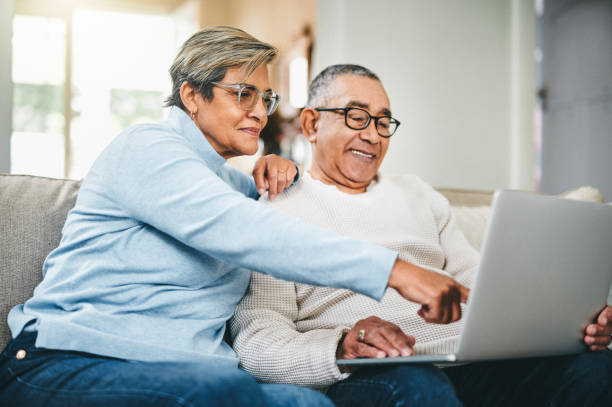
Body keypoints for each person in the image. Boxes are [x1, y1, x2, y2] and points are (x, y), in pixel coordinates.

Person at [0, 27, 470, 407]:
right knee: (221, 395)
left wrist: (274, 173)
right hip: (71, 360)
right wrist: (396, 272)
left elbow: (247, 211)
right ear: (191, 95)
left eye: (265, 99)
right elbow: (244, 232)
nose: (259, 113)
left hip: (193, 372)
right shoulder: (146, 148)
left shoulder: (241, 187)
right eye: (244, 94)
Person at [230, 64, 612, 406]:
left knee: (598, 369)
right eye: (357, 117)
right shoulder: (278, 205)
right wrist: (340, 345)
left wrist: (568, 323)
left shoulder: (419, 195)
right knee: (418, 386)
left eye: (383, 122)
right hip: (378, 376)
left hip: (469, 365)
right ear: (312, 124)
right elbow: (256, 340)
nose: (373, 136)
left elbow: (479, 283)